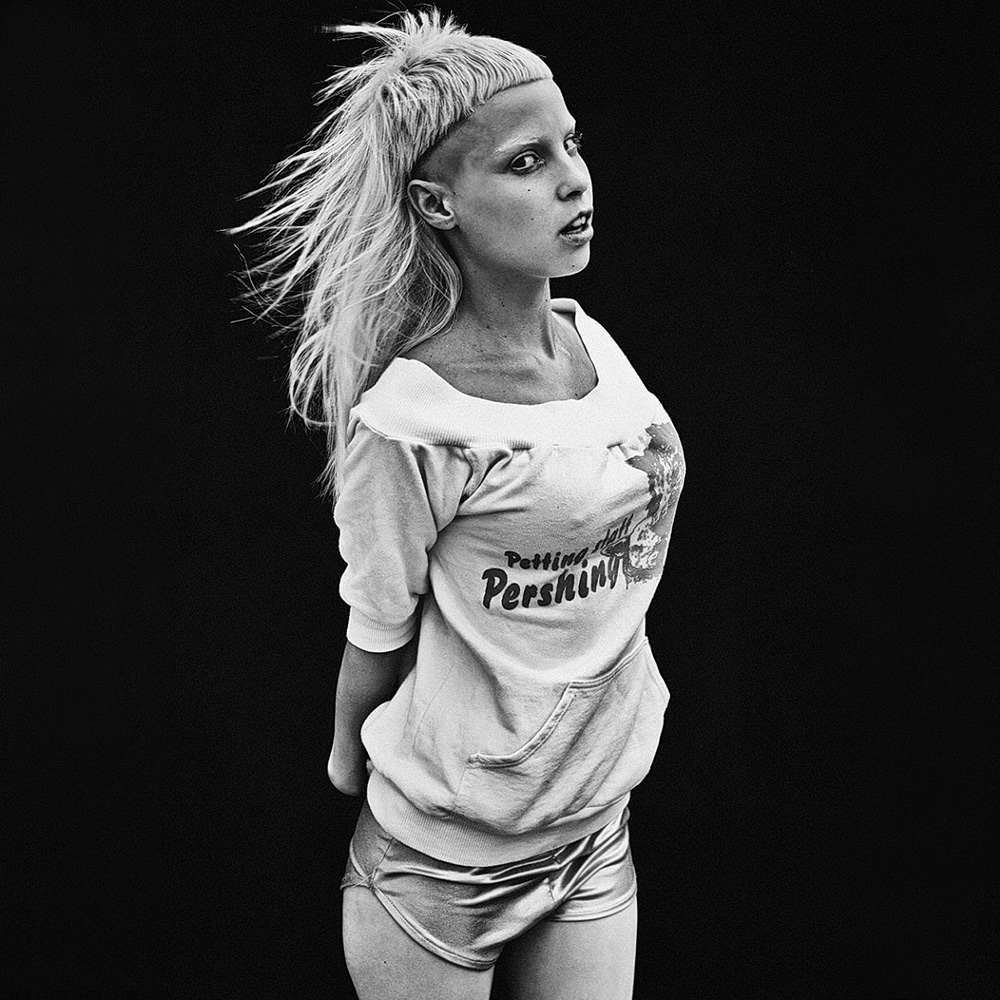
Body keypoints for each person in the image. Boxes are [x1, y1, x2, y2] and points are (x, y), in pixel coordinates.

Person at [227, 10, 685, 999]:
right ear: (438, 205)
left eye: (570, 145)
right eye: (526, 162)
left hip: (593, 831)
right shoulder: (413, 423)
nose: (574, 179)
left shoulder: (594, 345)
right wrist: (348, 758)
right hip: (440, 868)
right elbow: (377, 626)